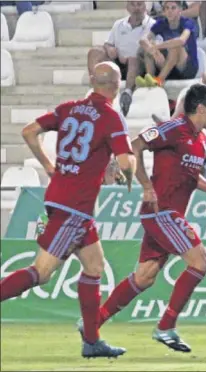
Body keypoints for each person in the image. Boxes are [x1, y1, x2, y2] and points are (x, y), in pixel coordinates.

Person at [85, 84, 206, 353]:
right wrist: (146, 186)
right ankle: (166, 326)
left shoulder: (200, 140)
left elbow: (191, 177)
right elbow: (133, 147)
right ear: (201, 108)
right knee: (200, 262)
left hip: (170, 214)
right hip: (162, 211)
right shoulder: (173, 128)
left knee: (145, 276)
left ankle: (92, 323)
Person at [0, 62, 136, 358]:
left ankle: (91, 340)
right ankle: (91, 339)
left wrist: (49, 165)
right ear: (116, 86)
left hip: (64, 200)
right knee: (42, 272)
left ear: (92, 81)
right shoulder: (111, 115)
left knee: (94, 266)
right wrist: (129, 172)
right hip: (74, 207)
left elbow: (29, 132)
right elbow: (126, 163)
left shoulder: (68, 108)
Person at [87, 1, 155, 116]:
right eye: (133, 4)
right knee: (95, 52)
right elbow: (108, 44)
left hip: (139, 64)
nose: (136, 8)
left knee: (133, 59)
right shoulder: (119, 24)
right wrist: (110, 49)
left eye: (139, 4)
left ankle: (127, 93)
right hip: (118, 62)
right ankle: (95, 87)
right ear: (127, 7)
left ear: (145, 6)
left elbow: (154, 48)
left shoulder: (153, 25)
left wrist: (133, 56)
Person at [136, 0, 198, 87]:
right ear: (164, 11)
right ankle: (150, 80)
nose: (170, 11)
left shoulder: (188, 22)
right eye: (167, 8)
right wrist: (154, 52)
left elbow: (181, 41)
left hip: (187, 68)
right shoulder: (161, 23)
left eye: (173, 8)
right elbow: (142, 40)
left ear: (180, 9)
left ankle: (159, 81)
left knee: (176, 46)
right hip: (170, 66)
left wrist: (156, 47)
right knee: (147, 50)